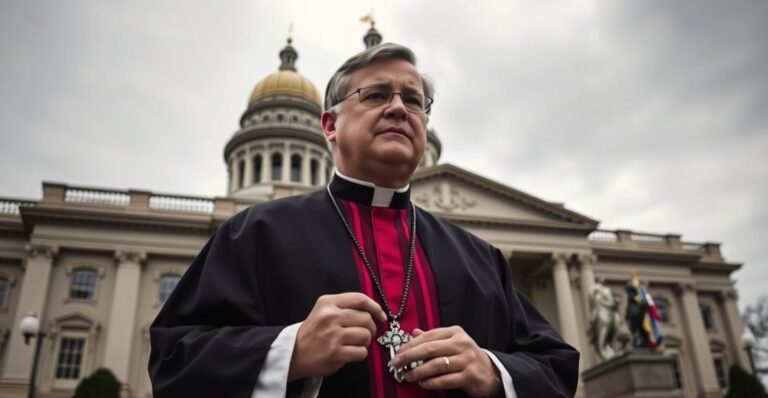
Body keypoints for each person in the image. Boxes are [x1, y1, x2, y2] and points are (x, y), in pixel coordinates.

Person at [149, 43, 579, 398]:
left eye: (413, 100)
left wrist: (491, 371)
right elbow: (173, 360)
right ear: (330, 125)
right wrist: (290, 351)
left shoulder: (480, 257)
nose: (399, 108)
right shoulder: (255, 234)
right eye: (376, 95)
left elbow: (556, 366)